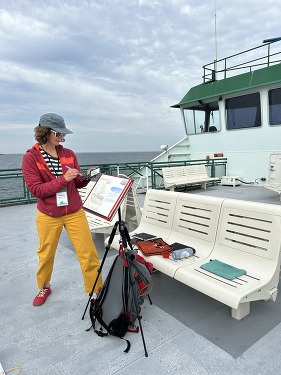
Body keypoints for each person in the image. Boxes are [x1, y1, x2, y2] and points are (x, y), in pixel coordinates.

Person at [22, 113, 102, 306]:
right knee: (46, 254)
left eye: (63, 134)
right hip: (48, 215)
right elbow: (37, 190)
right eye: (58, 134)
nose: (61, 138)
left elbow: (76, 183)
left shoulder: (68, 154)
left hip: (74, 212)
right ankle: (44, 287)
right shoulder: (31, 158)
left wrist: (86, 177)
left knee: (88, 252)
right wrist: (62, 180)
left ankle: (95, 290)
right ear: (45, 132)